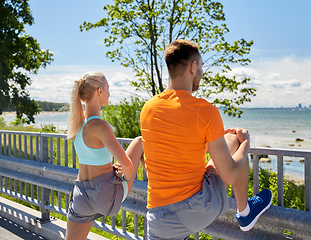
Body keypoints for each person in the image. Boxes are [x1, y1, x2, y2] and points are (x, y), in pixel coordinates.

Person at [140, 40, 272, 239]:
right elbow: (228, 176)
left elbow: (176, 149)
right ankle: (245, 213)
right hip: (193, 210)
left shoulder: (148, 108)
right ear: (193, 67)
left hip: (157, 216)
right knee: (232, 138)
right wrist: (245, 144)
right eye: (201, 66)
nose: (201, 72)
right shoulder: (204, 110)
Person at [65, 72, 143, 240]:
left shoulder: (76, 125)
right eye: (108, 89)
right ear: (99, 91)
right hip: (105, 195)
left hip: (81, 195)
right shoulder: (101, 126)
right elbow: (128, 166)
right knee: (139, 142)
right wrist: (122, 175)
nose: (109, 93)